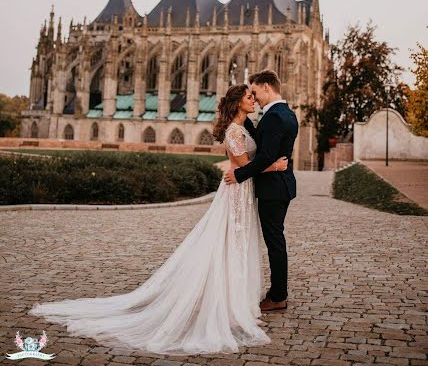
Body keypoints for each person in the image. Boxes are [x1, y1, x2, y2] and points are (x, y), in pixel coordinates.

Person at [28, 84, 287, 355]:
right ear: (237, 103)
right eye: (249, 96)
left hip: (242, 191)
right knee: (229, 244)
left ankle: (234, 300)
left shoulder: (244, 127)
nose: (253, 99)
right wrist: (275, 166)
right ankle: (227, 303)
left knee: (236, 244)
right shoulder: (235, 132)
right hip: (236, 192)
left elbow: (247, 162)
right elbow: (244, 165)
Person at [224, 69, 299, 312]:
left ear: (266, 86)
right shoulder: (284, 113)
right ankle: (277, 293)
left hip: (273, 189)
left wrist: (239, 174)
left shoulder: (275, 116)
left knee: (274, 242)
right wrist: (240, 115)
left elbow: (266, 155)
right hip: (279, 186)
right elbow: (263, 143)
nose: (254, 98)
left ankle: (278, 296)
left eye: (255, 92)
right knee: (275, 240)